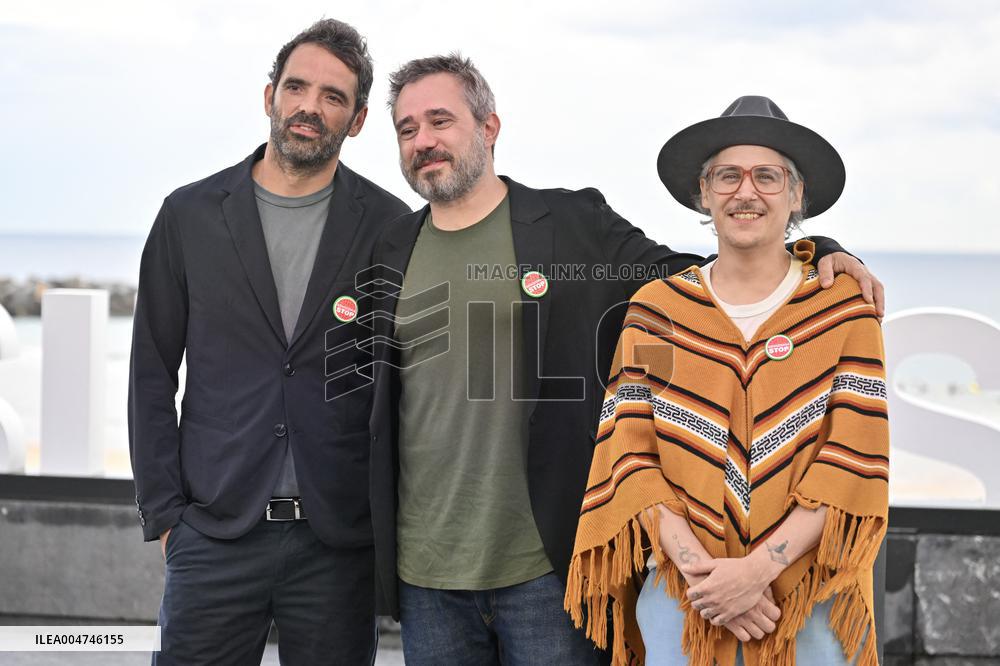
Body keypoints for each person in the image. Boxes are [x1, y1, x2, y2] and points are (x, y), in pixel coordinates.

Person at [367, 55, 884, 665]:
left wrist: (817, 247)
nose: (423, 141)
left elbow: (707, 269)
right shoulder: (392, 246)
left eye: (440, 121)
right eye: (407, 129)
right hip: (427, 571)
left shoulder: (572, 227)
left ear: (488, 127)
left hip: (543, 568)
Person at [566, 96, 889, 665]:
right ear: (703, 193)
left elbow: (851, 461)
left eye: (768, 176)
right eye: (727, 176)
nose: (746, 192)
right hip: (685, 598)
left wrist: (758, 572)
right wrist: (711, 580)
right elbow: (631, 455)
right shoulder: (656, 312)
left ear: (796, 196)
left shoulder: (843, 311)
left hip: (810, 604)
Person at [128, 19, 409, 665]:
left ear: (358, 119)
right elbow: (150, 371)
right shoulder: (190, 214)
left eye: (333, 96)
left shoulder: (391, 227)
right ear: (270, 97)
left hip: (336, 543)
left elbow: (406, 384)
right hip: (214, 530)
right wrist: (168, 514)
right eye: (297, 87)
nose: (311, 106)